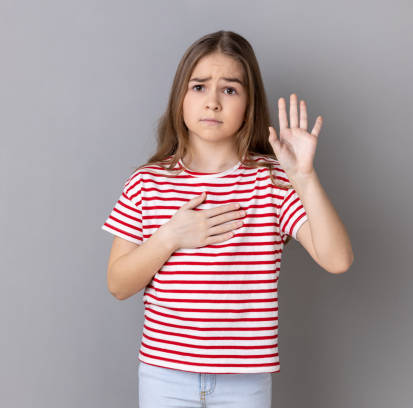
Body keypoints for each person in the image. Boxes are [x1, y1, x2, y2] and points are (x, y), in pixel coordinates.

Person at [101, 30, 354, 408]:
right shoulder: (148, 182)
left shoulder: (271, 181)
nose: (213, 102)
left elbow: (338, 260)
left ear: (250, 103)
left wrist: (304, 178)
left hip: (245, 380)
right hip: (165, 375)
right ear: (180, 98)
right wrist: (169, 237)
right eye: (199, 87)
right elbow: (118, 284)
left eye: (230, 90)